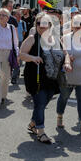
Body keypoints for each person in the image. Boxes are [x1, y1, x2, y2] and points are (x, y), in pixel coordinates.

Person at [20, 13, 61, 144]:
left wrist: (66, 61)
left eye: (45, 24)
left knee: (43, 102)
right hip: (35, 76)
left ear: (50, 25)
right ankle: (41, 131)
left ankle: (33, 123)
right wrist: (33, 58)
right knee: (40, 101)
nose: (41, 27)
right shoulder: (32, 38)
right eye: (39, 24)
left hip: (51, 77)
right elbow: (21, 54)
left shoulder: (54, 39)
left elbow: (63, 53)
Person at [56, 14, 81, 135]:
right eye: (76, 24)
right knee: (64, 97)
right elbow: (61, 55)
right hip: (69, 75)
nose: (78, 27)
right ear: (72, 25)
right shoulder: (66, 38)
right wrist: (67, 58)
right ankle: (59, 117)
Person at [0, 8, 19, 109]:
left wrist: (17, 56)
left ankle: (3, 96)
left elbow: (15, 43)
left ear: (8, 18)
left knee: (6, 77)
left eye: (4, 15)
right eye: (0, 15)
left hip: (8, 54)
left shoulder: (11, 28)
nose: (1, 17)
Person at [11, 9, 27, 84]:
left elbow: (24, 33)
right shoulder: (10, 23)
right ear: (14, 15)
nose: (20, 16)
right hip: (11, 43)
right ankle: (13, 73)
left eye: (20, 15)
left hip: (20, 42)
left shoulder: (23, 23)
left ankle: (14, 76)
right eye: (18, 15)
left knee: (18, 59)